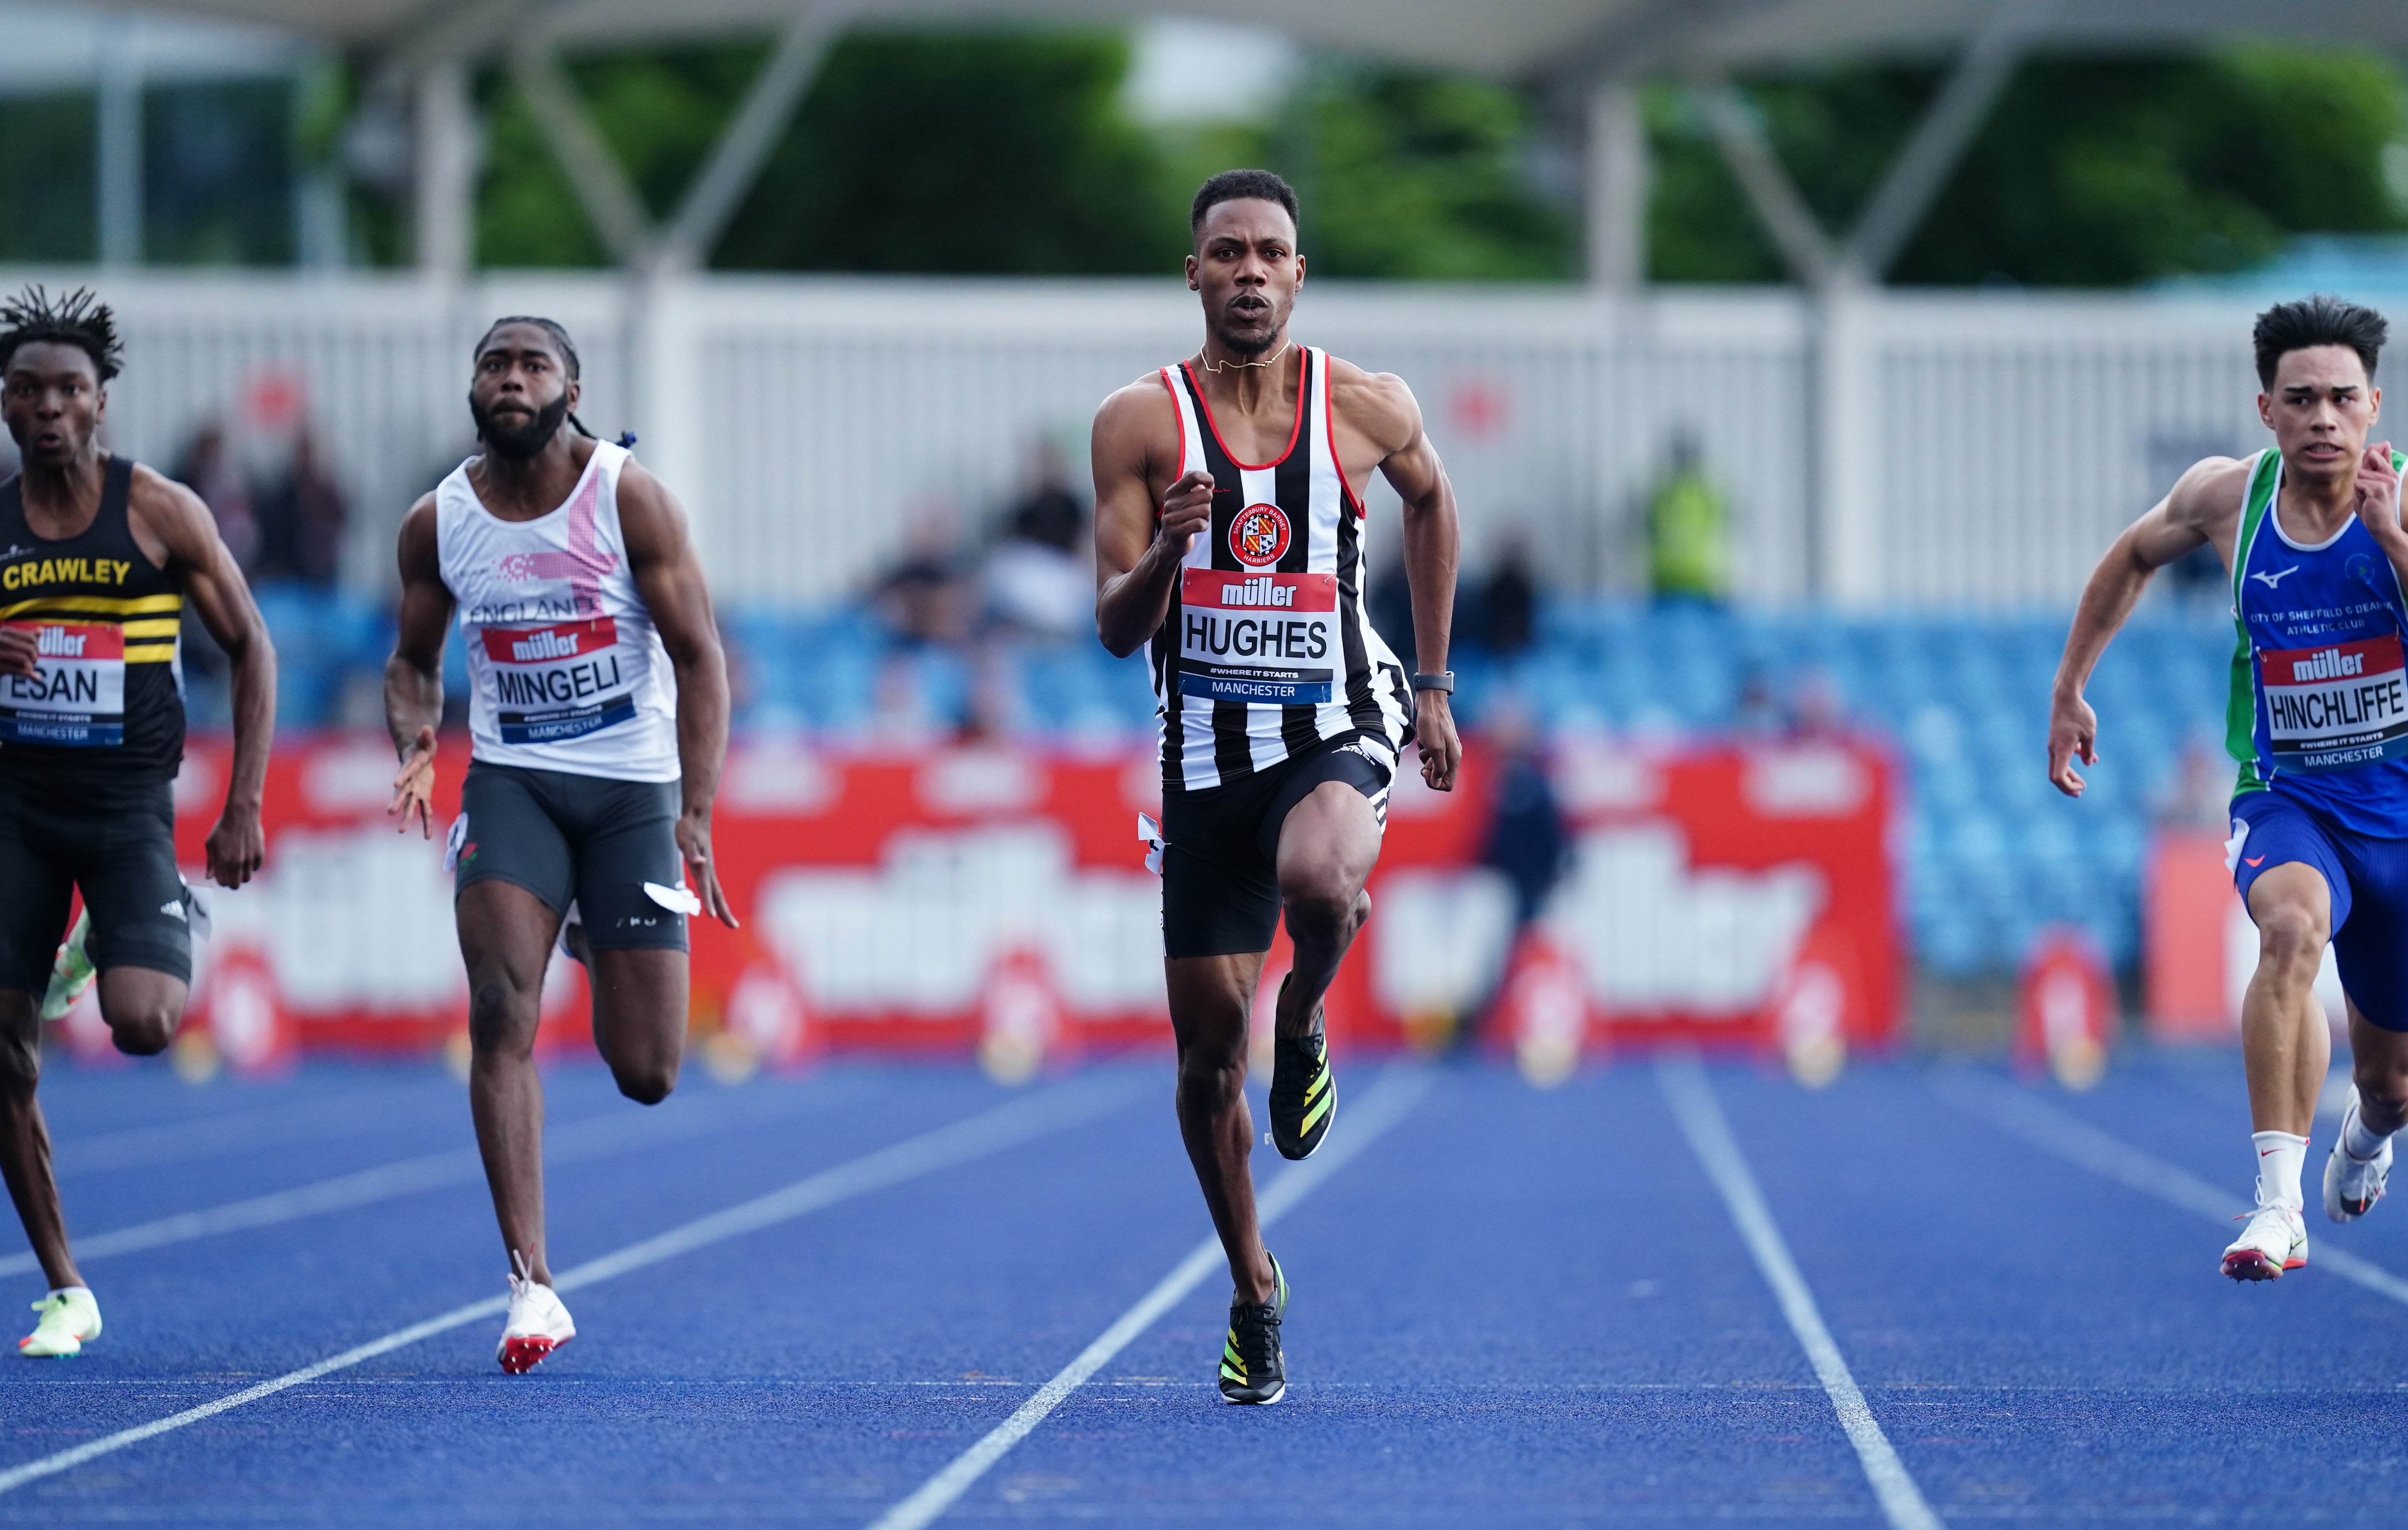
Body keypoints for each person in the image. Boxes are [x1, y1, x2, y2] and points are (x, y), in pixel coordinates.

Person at [1092, 169, 1462, 1405]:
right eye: (1227, 253)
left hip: (1334, 723)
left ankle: (1301, 1016)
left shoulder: (1363, 403)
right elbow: (1108, 626)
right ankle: (1254, 1288)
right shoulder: (1136, 426)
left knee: (1321, 876)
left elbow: (1434, 502)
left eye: (1271, 254)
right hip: (1201, 756)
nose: (1249, 272)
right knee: (1203, 1065)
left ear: (1298, 275)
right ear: (1190, 272)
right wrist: (1167, 549)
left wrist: (1432, 685)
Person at [385, 316, 737, 1373]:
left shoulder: (628, 498)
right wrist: (413, 742)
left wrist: (698, 813)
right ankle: (531, 1282)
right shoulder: (438, 521)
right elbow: (411, 660)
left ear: (570, 388)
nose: (510, 379)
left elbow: (701, 657)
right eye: (494, 364)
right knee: (500, 1009)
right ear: (474, 388)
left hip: (631, 792)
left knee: (649, 1070)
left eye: (532, 364)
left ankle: (590, 923)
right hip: (513, 783)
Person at [2050, 293, 2408, 1282]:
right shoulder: (2225, 499)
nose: (2323, 419)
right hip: (2288, 797)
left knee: (2390, 1082)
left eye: (2342, 398)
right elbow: (2131, 556)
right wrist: (2070, 685)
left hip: (2401, 810)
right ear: (2267, 410)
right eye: (2301, 400)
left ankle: (2365, 1135)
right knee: (2289, 933)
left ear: (2374, 405)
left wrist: (2391, 542)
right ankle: (2275, 1208)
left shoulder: (2403, 501)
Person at [0, 286, 275, 1358]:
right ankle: (66, 1284)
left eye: (70, 390)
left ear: (101, 403)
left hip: (125, 807)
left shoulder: (158, 510)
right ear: (7, 408)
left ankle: (111, 934)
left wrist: (244, 800)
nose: (50, 409)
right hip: (15, 807)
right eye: (28, 392)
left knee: (148, 1024)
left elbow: (252, 645)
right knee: (7, 1056)